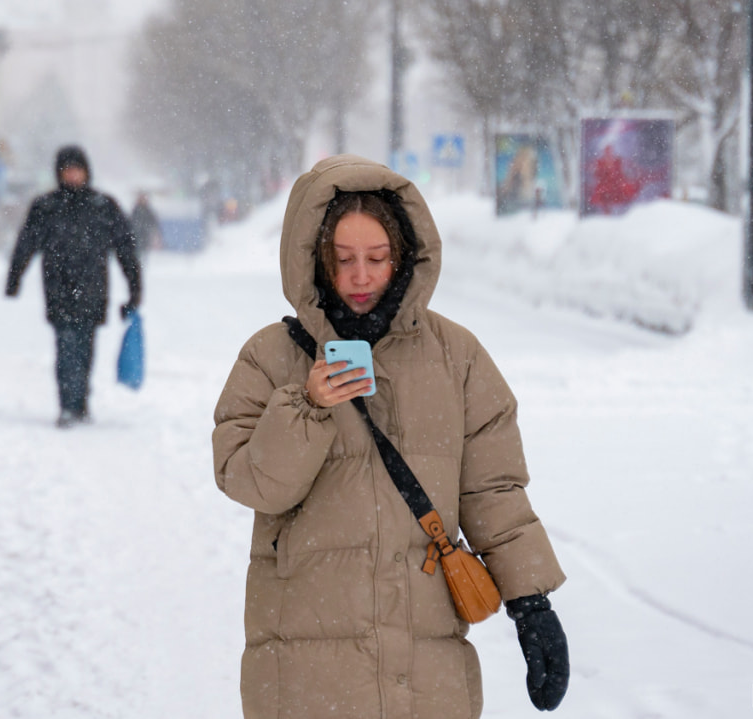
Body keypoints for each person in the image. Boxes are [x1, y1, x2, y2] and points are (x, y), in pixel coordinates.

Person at [212, 155, 569, 718]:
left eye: (377, 258)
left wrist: (531, 602)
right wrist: (307, 406)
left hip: (422, 659)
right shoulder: (269, 357)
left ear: (402, 257)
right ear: (314, 260)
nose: (360, 276)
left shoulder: (457, 357)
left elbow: (493, 490)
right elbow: (251, 482)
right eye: (343, 259)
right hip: (306, 657)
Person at [5, 145, 142, 427]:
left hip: (93, 291)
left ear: (86, 172)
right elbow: (25, 244)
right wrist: (14, 278)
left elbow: (126, 249)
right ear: (58, 173)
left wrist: (134, 287)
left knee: (85, 349)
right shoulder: (46, 207)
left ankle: (80, 403)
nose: (72, 175)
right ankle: (68, 405)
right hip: (58, 290)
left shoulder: (103, 206)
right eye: (67, 170)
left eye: (77, 170)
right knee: (66, 347)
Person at [129, 191, 162, 256]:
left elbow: (154, 223)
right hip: (136, 236)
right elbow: (131, 222)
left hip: (144, 236)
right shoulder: (135, 210)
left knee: (143, 255)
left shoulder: (148, 211)